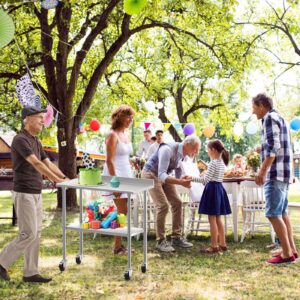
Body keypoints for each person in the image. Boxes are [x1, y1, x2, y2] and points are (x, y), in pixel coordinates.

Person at [0, 106, 68, 283]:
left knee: (36, 233)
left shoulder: (36, 141)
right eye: (38, 117)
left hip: (35, 191)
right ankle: (1, 263)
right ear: (27, 119)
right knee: (28, 233)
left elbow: (48, 162)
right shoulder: (19, 140)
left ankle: (30, 272)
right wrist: (56, 180)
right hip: (24, 192)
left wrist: (64, 177)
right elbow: (36, 164)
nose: (42, 121)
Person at [252, 93, 298, 264]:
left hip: (275, 173)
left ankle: (286, 254)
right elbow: (279, 144)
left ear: (262, 106)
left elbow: (274, 148)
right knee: (283, 214)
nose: (253, 111)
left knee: (272, 214)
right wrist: (261, 147)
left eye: (254, 107)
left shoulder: (269, 118)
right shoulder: (280, 118)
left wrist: (262, 172)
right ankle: (292, 250)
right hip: (285, 173)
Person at [141, 135, 200, 252]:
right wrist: (180, 182)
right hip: (150, 174)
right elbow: (162, 175)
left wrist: (182, 178)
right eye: (195, 149)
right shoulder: (167, 149)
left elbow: (177, 169)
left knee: (177, 202)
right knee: (163, 206)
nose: (196, 153)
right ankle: (160, 241)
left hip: (163, 175)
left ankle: (176, 237)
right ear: (187, 145)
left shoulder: (183, 154)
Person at [102, 104, 135, 254]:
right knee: (122, 210)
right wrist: (115, 184)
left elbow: (124, 157)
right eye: (128, 116)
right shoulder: (112, 135)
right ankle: (117, 246)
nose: (130, 120)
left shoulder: (125, 135)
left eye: (131, 117)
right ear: (119, 117)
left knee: (124, 211)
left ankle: (118, 245)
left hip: (127, 175)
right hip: (116, 176)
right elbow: (109, 160)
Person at [192, 139, 231, 253]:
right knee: (218, 218)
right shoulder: (221, 162)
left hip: (212, 190)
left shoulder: (213, 162)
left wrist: (191, 178)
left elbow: (205, 181)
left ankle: (214, 245)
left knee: (212, 219)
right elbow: (212, 176)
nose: (207, 152)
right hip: (219, 188)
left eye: (208, 150)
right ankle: (223, 244)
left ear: (213, 150)